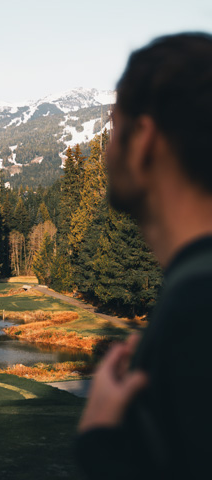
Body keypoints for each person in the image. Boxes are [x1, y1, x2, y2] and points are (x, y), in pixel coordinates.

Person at [76, 32, 212, 480]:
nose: (106, 149)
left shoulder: (193, 318)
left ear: (144, 140)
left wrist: (100, 441)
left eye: (113, 128)